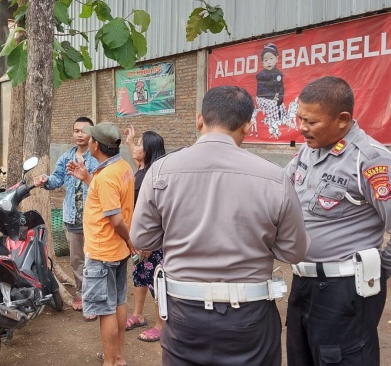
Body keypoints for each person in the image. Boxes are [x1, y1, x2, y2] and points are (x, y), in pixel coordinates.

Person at [130, 86, 309, 365]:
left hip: (183, 315)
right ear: (248, 127)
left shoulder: (161, 171)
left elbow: (142, 238)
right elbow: (294, 252)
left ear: (199, 119)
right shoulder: (274, 177)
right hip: (250, 316)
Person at [284, 76, 391, 366]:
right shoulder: (308, 151)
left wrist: (373, 270)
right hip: (303, 284)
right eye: (299, 118)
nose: (302, 127)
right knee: (302, 358)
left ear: (342, 119)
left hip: (345, 290)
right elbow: (281, 191)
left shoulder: (371, 160)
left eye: (311, 122)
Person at [66, 122, 136, 366]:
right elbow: (107, 197)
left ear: (96, 145)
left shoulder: (106, 176)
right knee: (118, 302)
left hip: (103, 250)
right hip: (117, 250)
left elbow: (115, 218)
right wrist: (87, 177)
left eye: (91, 139)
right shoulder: (121, 166)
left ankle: (110, 362)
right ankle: (118, 357)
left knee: (105, 309)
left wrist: (129, 238)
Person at [33, 116, 99, 320]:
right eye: (76, 130)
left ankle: (95, 298)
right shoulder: (66, 157)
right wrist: (45, 180)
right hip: (72, 218)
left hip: (95, 219)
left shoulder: (97, 158)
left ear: (92, 134)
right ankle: (81, 293)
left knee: (95, 260)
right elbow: (56, 180)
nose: (79, 134)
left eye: (83, 130)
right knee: (77, 260)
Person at [123, 126, 166, 342]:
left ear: (147, 152)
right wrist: (130, 140)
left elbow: (158, 212)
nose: (135, 147)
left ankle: (161, 324)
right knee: (139, 276)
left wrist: (150, 243)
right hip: (139, 240)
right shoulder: (142, 169)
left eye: (140, 144)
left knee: (156, 282)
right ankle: (138, 315)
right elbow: (136, 157)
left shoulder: (154, 175)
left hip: (152, 243)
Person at [256, 42, 287, 139]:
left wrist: (280, 98)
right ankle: (273, 128)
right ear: (262, 63)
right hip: (262, 98)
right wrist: (271, 96)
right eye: (266, 60)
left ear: (277, 59)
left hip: (274, 97)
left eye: (271, 59)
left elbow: (281, 87)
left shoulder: (278, 74)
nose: (268, 62)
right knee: (273, 105)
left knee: (281, 105)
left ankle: (283, 122)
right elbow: (261, 90)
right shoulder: (261, 75)